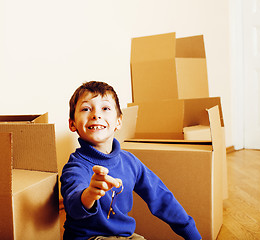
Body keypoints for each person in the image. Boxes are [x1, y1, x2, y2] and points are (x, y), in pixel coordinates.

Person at [60, 81, 202, 240]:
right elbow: (73, 204)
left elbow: (161, 197)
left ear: (119, 121)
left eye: (105, 108)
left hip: (124, 236)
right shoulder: (75, 167)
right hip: (87, 238)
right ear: (72, 124)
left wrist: (190, 231)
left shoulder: (130, 162)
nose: (96, 114)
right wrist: (89, 194)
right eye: (86, 109)